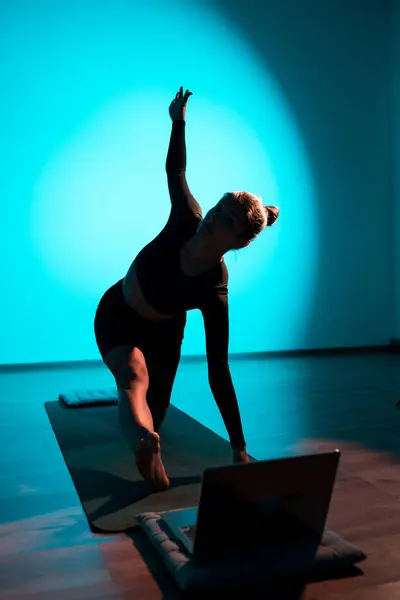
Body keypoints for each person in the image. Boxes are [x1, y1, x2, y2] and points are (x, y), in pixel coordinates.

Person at [94, 87, 279, 492]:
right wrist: (178, 122)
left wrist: (239, 445)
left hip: (164, 334)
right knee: (131, 377)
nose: (213, 217)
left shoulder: (214, 289)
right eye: (218, 207)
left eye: (227, 220)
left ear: (239, 242)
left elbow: (219, 369)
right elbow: (175, 172)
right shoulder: (186, 218)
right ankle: (143, 443)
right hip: (119, 313)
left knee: (154, 410)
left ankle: (149, 431)